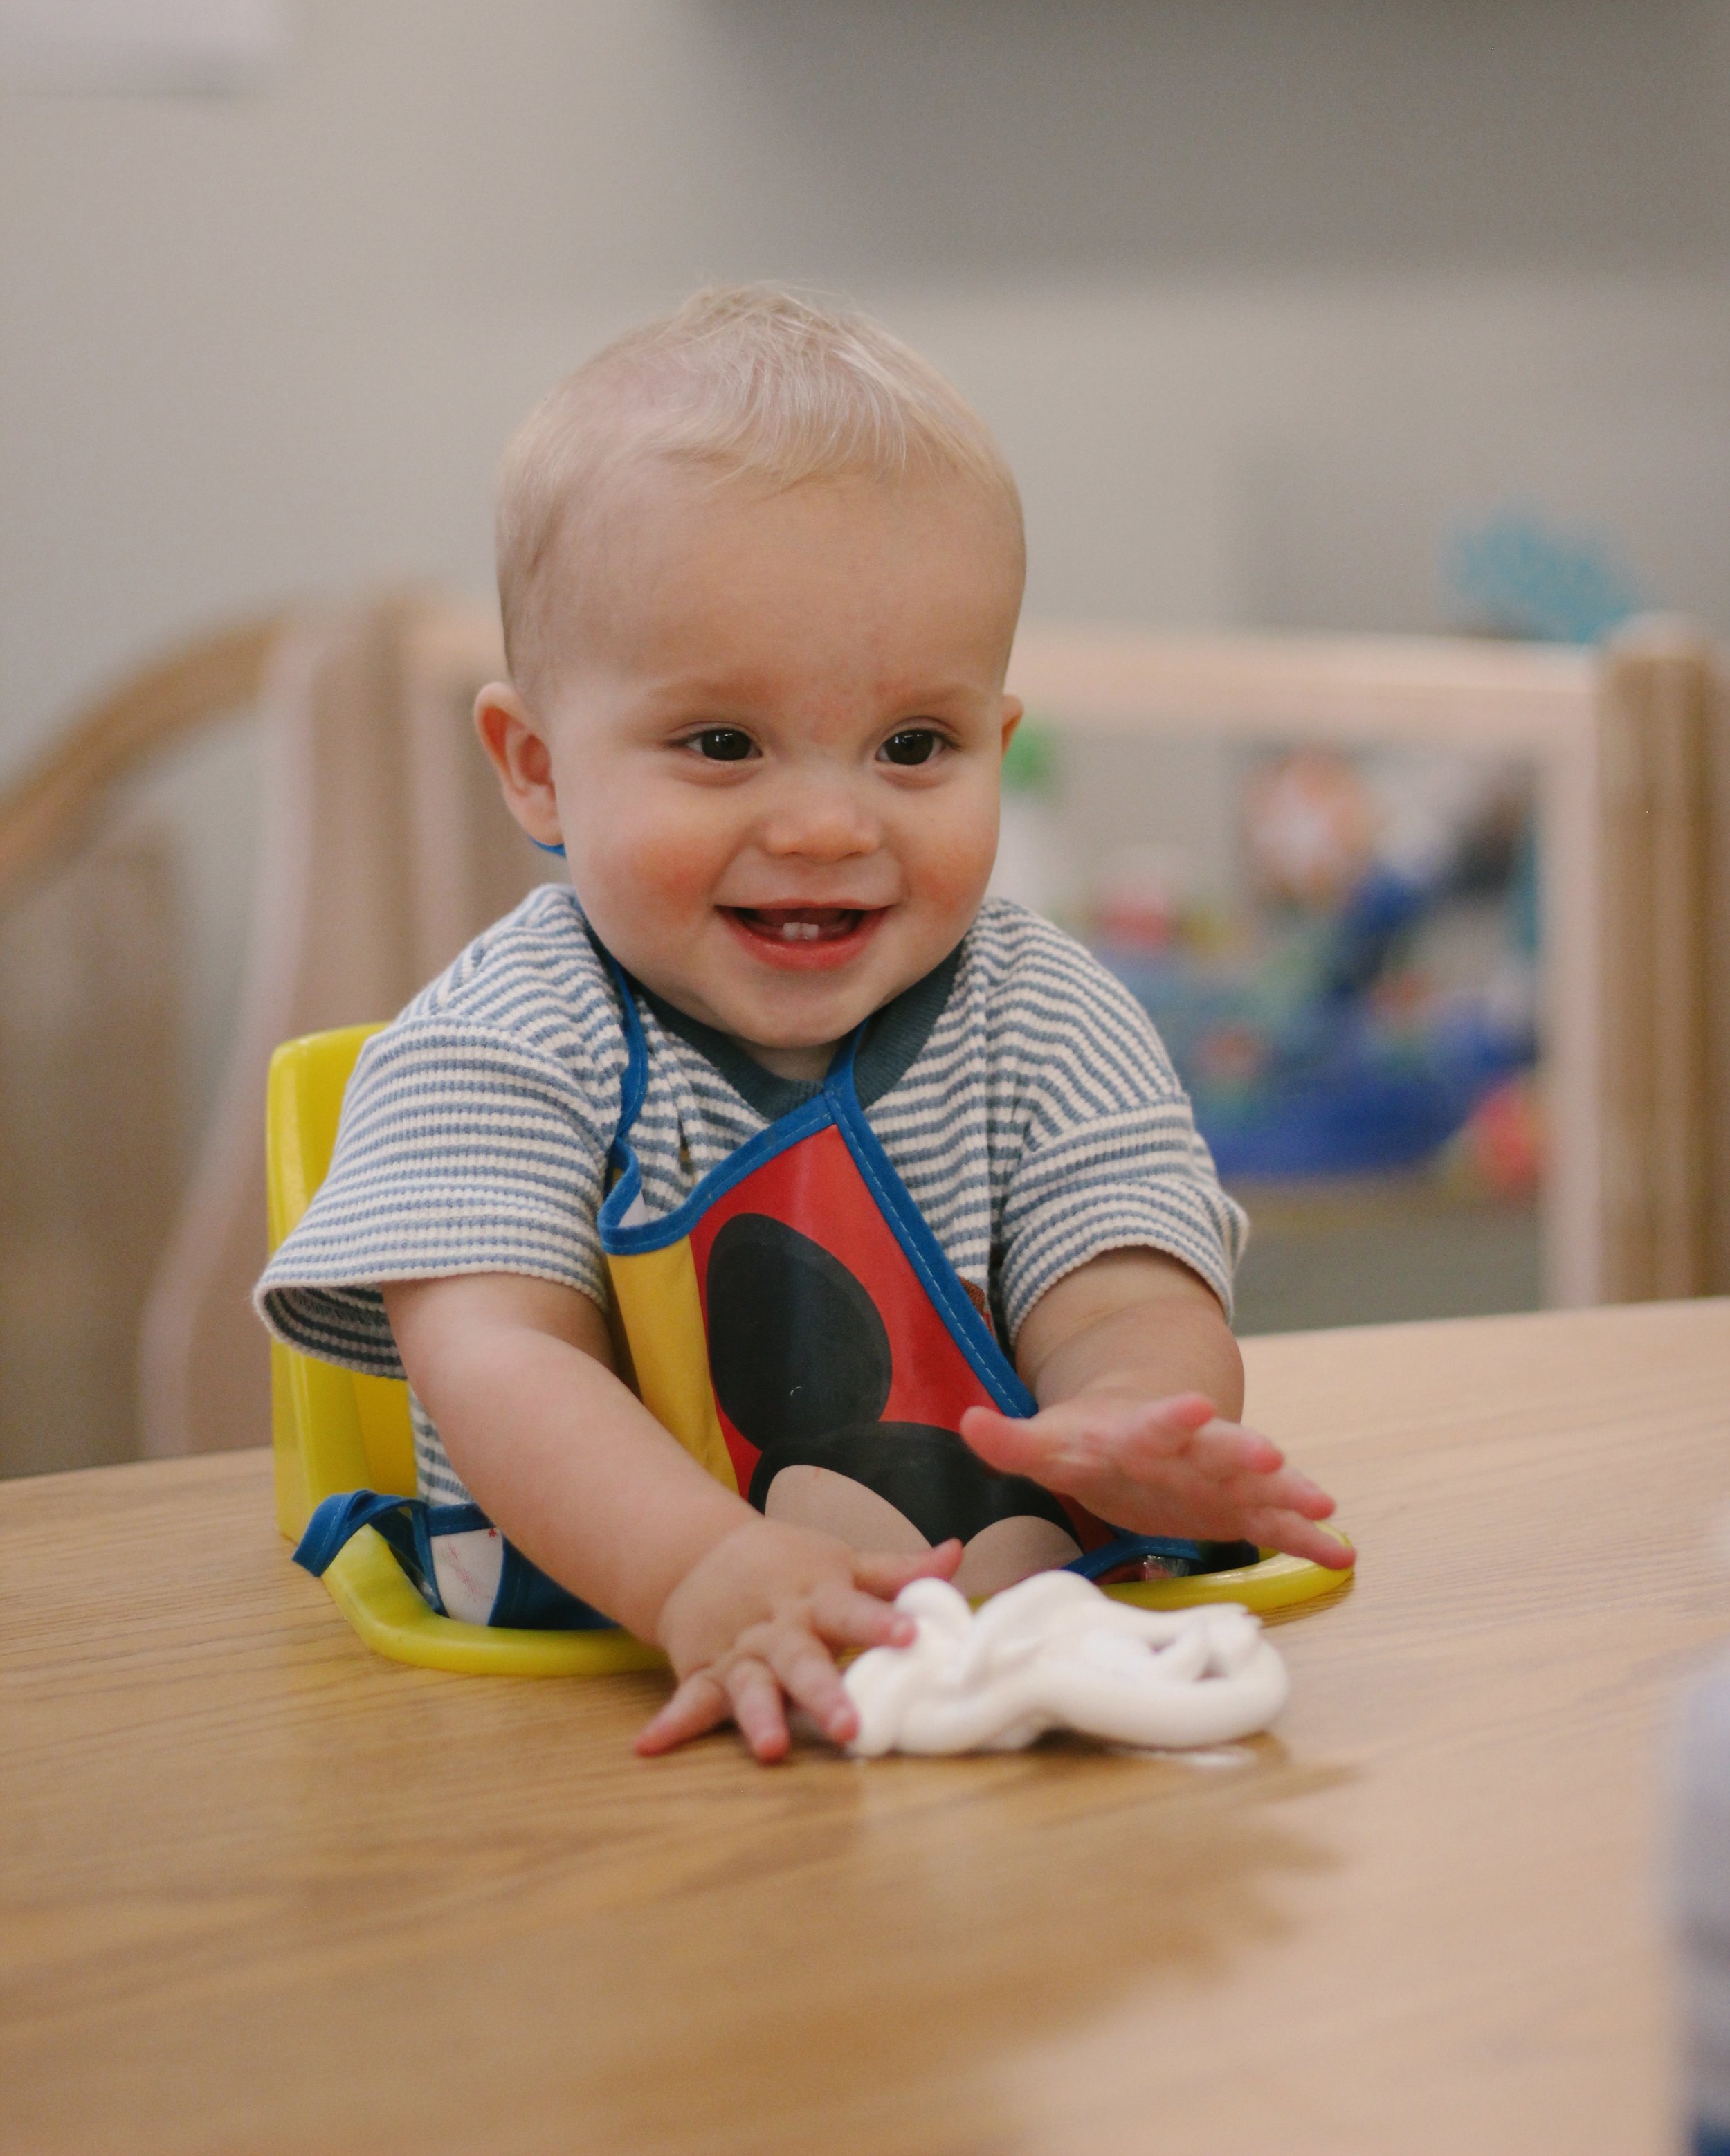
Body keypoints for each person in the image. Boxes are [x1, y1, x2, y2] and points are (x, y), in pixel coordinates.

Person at [258, 286, 1354, 1764]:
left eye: (915, 746)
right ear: (534, 768)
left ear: (996, 746)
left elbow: (1121, 1294)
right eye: (721, 745)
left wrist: (1132, 1426)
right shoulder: (497, 1044)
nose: (831, 824)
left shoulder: (1045, 1013)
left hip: (1020, 1688)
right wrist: (698, 1571)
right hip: (597, 1717)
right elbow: (503, 1363)